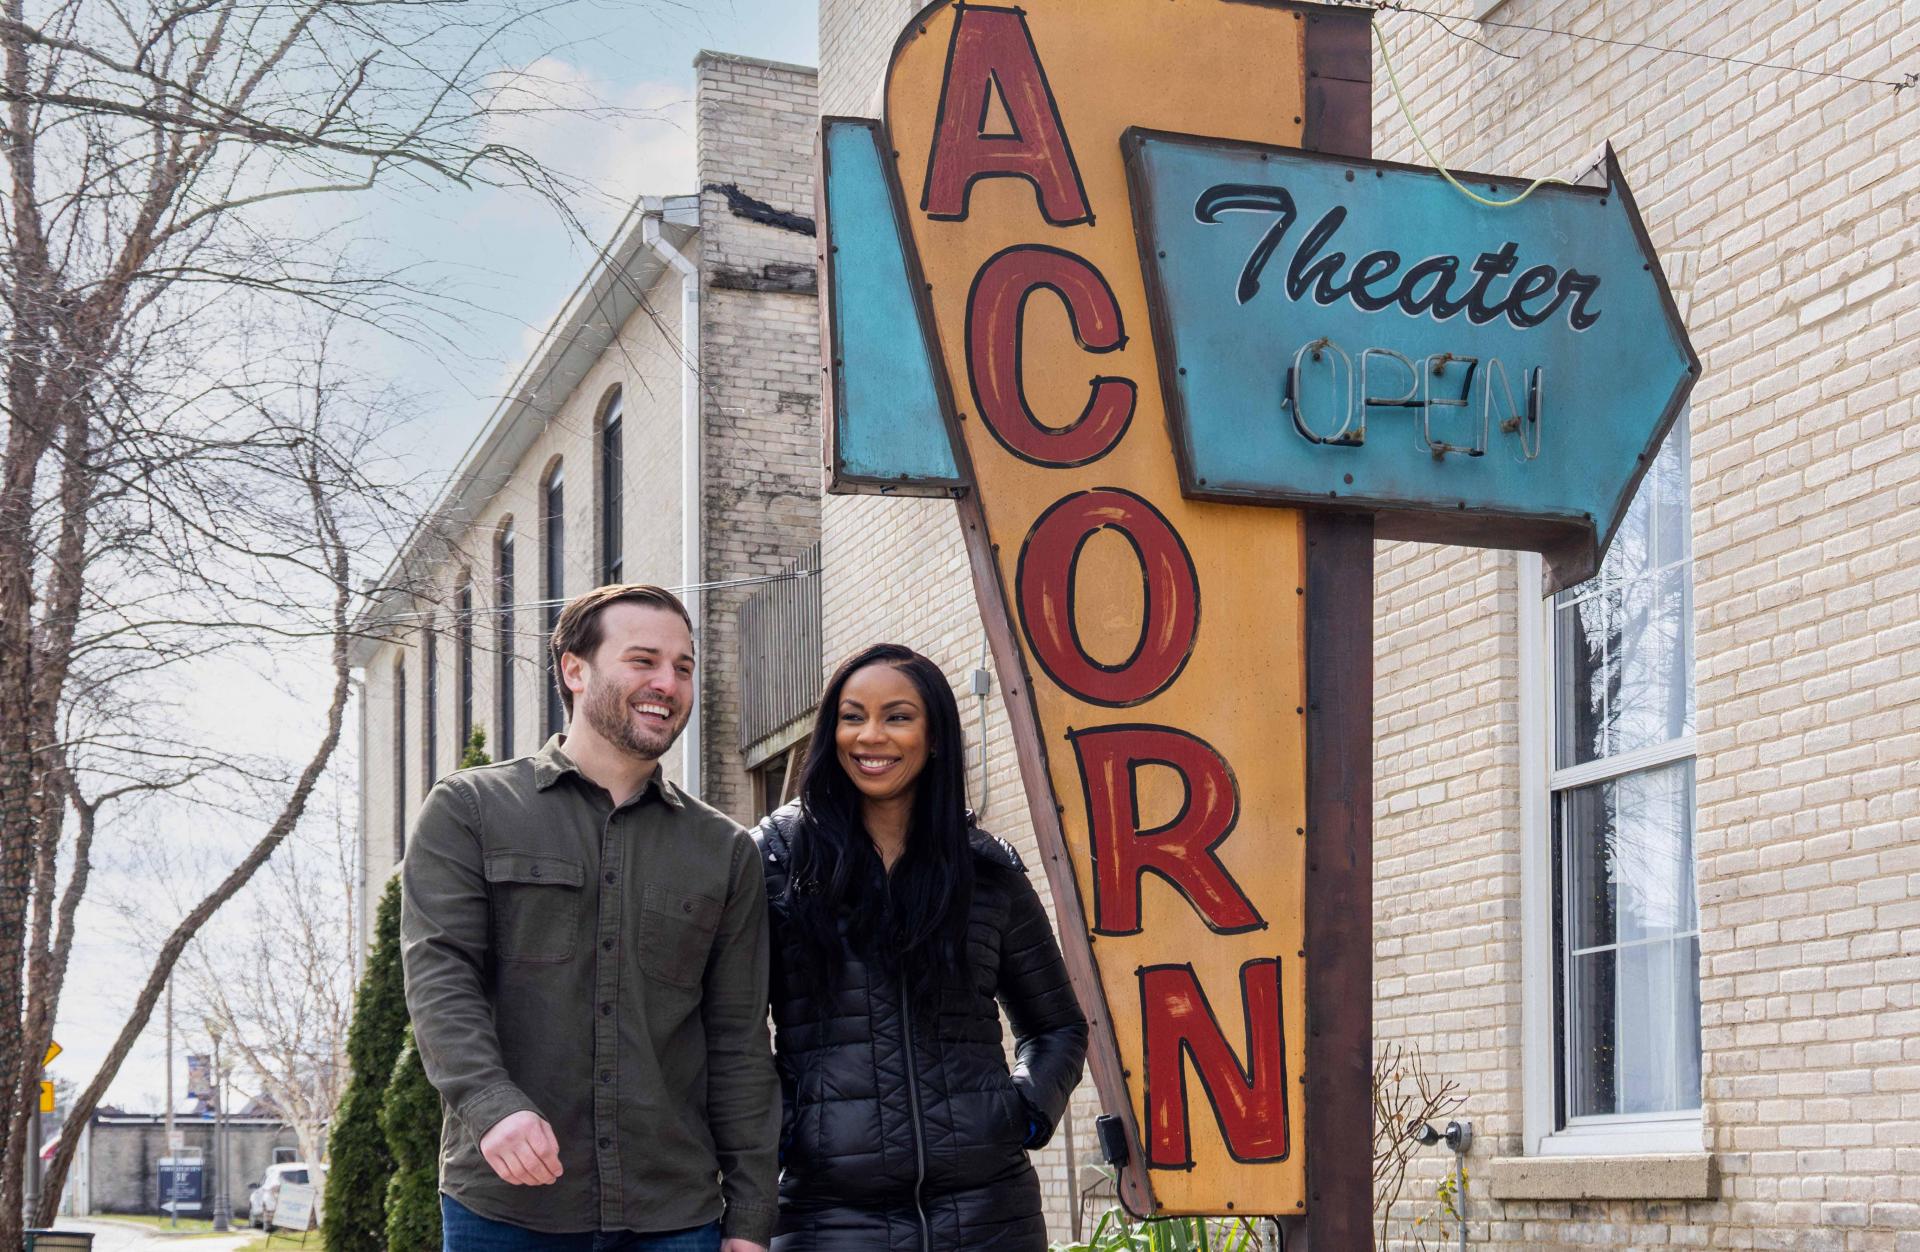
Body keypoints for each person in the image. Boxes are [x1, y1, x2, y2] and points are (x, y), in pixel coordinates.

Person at [402, 584, 778, 1252]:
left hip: (675, 1216)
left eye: (683, 667)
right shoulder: (470, 811)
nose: (667, 682)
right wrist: (492, 1104)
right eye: (644, 660)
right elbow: (440, 977)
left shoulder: (724, 851)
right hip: (507, 1205)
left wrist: (750, 1219)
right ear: (575, 670)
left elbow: (739, 1042)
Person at [754, 644, 1088, 1251]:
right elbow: (728, 1027)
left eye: (897, 717)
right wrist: (785, 1130)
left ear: (934, 737)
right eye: (852, 717)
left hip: (991, 1216)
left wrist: (1022, 1112)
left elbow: (1058, 1025)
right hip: (828, 1218)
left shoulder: (986, 871)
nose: (870, 736)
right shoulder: (775, 861)